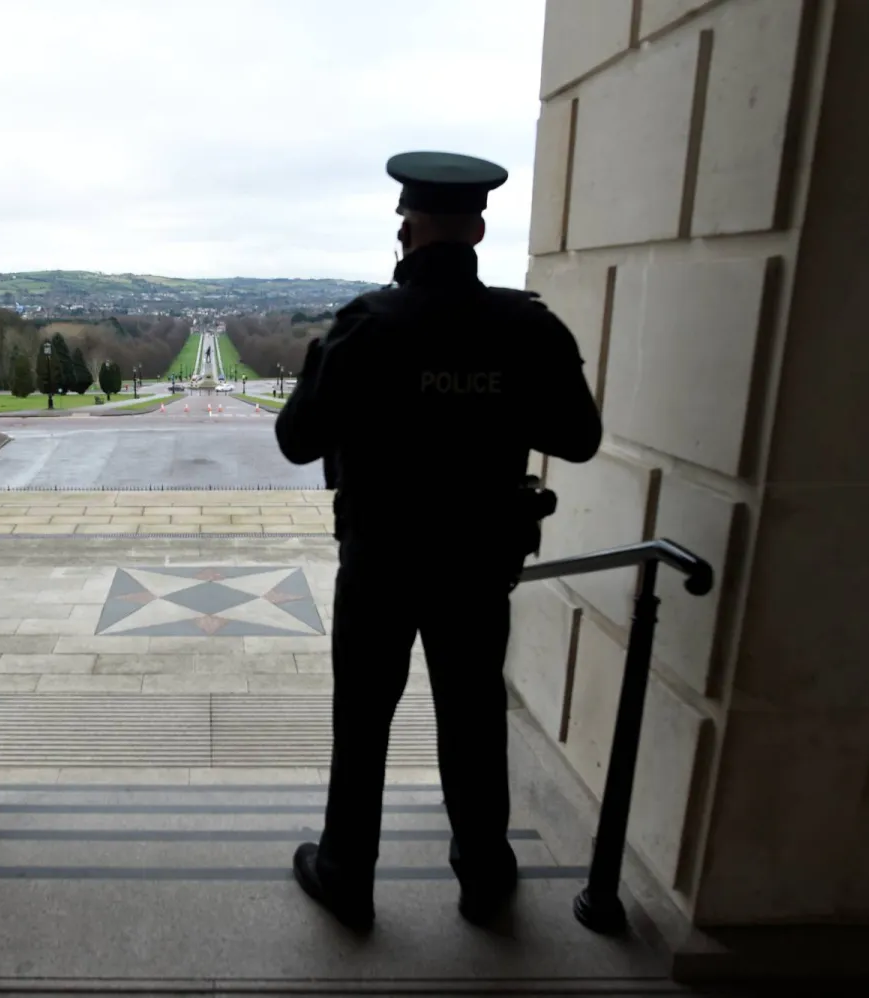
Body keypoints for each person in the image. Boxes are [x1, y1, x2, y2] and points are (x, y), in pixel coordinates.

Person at [275, 151, 602, 932]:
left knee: (363, 718)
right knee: (473, 714)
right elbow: (580, 438)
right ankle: (484, 876)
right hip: (477, 562)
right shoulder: (528, 327)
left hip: (381, 558)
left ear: (406, 228)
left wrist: (327, 360)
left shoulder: (367, 327)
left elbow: (296, 440)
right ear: (480, 228)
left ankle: (347, 872)